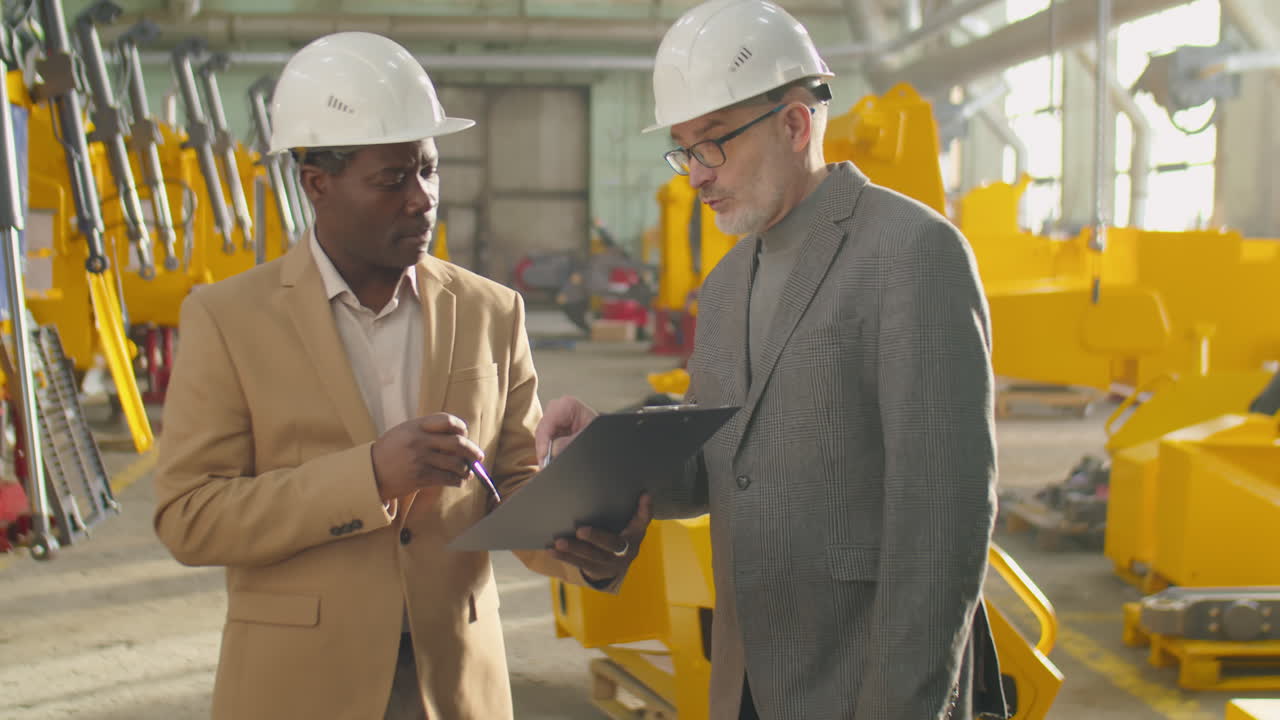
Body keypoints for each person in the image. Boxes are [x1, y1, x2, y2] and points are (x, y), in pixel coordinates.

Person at [152, 32, 648, 720]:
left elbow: (510, 485)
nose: (422, 199)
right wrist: (372, 477)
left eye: (429, 171)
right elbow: (190, 517)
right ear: (315, 184)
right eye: (393, 179)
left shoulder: (490, 310)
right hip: (299, 686)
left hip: (455, 679)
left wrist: (588, 535)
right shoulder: (229, 320)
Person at [537, 1, 1008, 718]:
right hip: (747, 677)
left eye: (713, 144)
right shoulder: (727, 285)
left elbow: (943, 520)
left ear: (794, 123)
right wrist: (606, 454)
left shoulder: (912, 253)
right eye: (685, 149)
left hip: (864, 683)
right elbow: (722, 458)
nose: (696, 175)